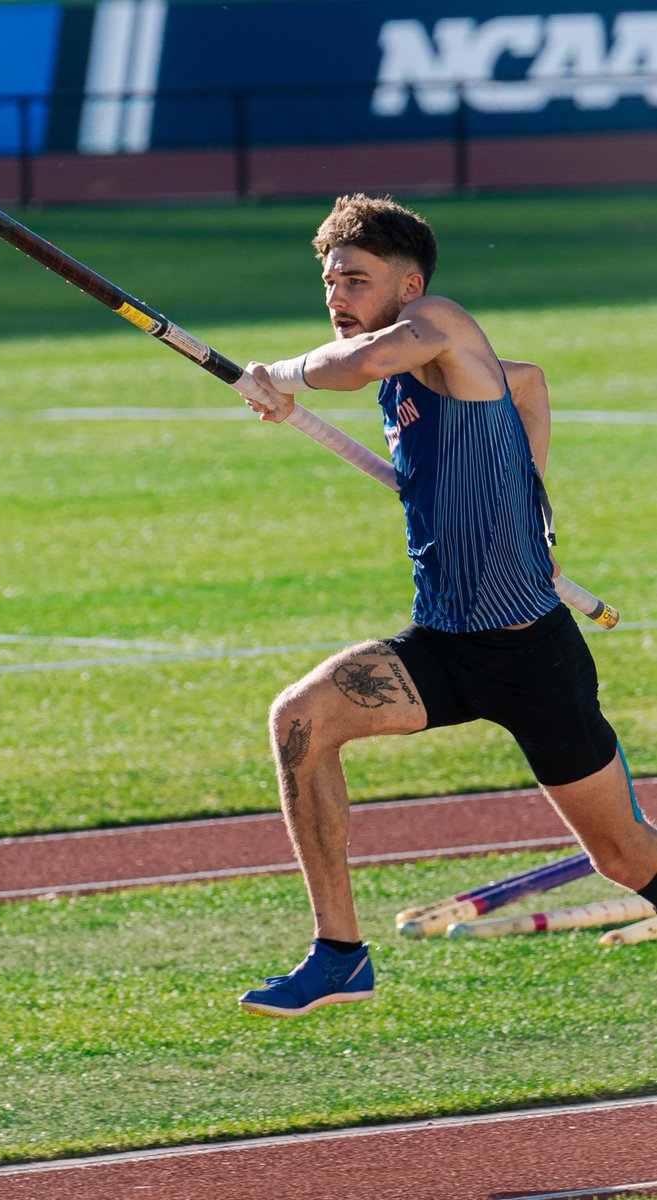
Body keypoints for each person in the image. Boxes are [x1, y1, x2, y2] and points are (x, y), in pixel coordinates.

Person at [234, 192, 657, 1019]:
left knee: (621, 855)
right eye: (329, 282)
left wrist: (279, 378)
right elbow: (527, 385)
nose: (336, 297)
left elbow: (353, 366)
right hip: (445, 647)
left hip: (530, 653)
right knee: (299, 722)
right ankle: (339, 955)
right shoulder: (417, 374)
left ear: (408, 283)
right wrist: (530, 505)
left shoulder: (439, 323)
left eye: (355, 280)